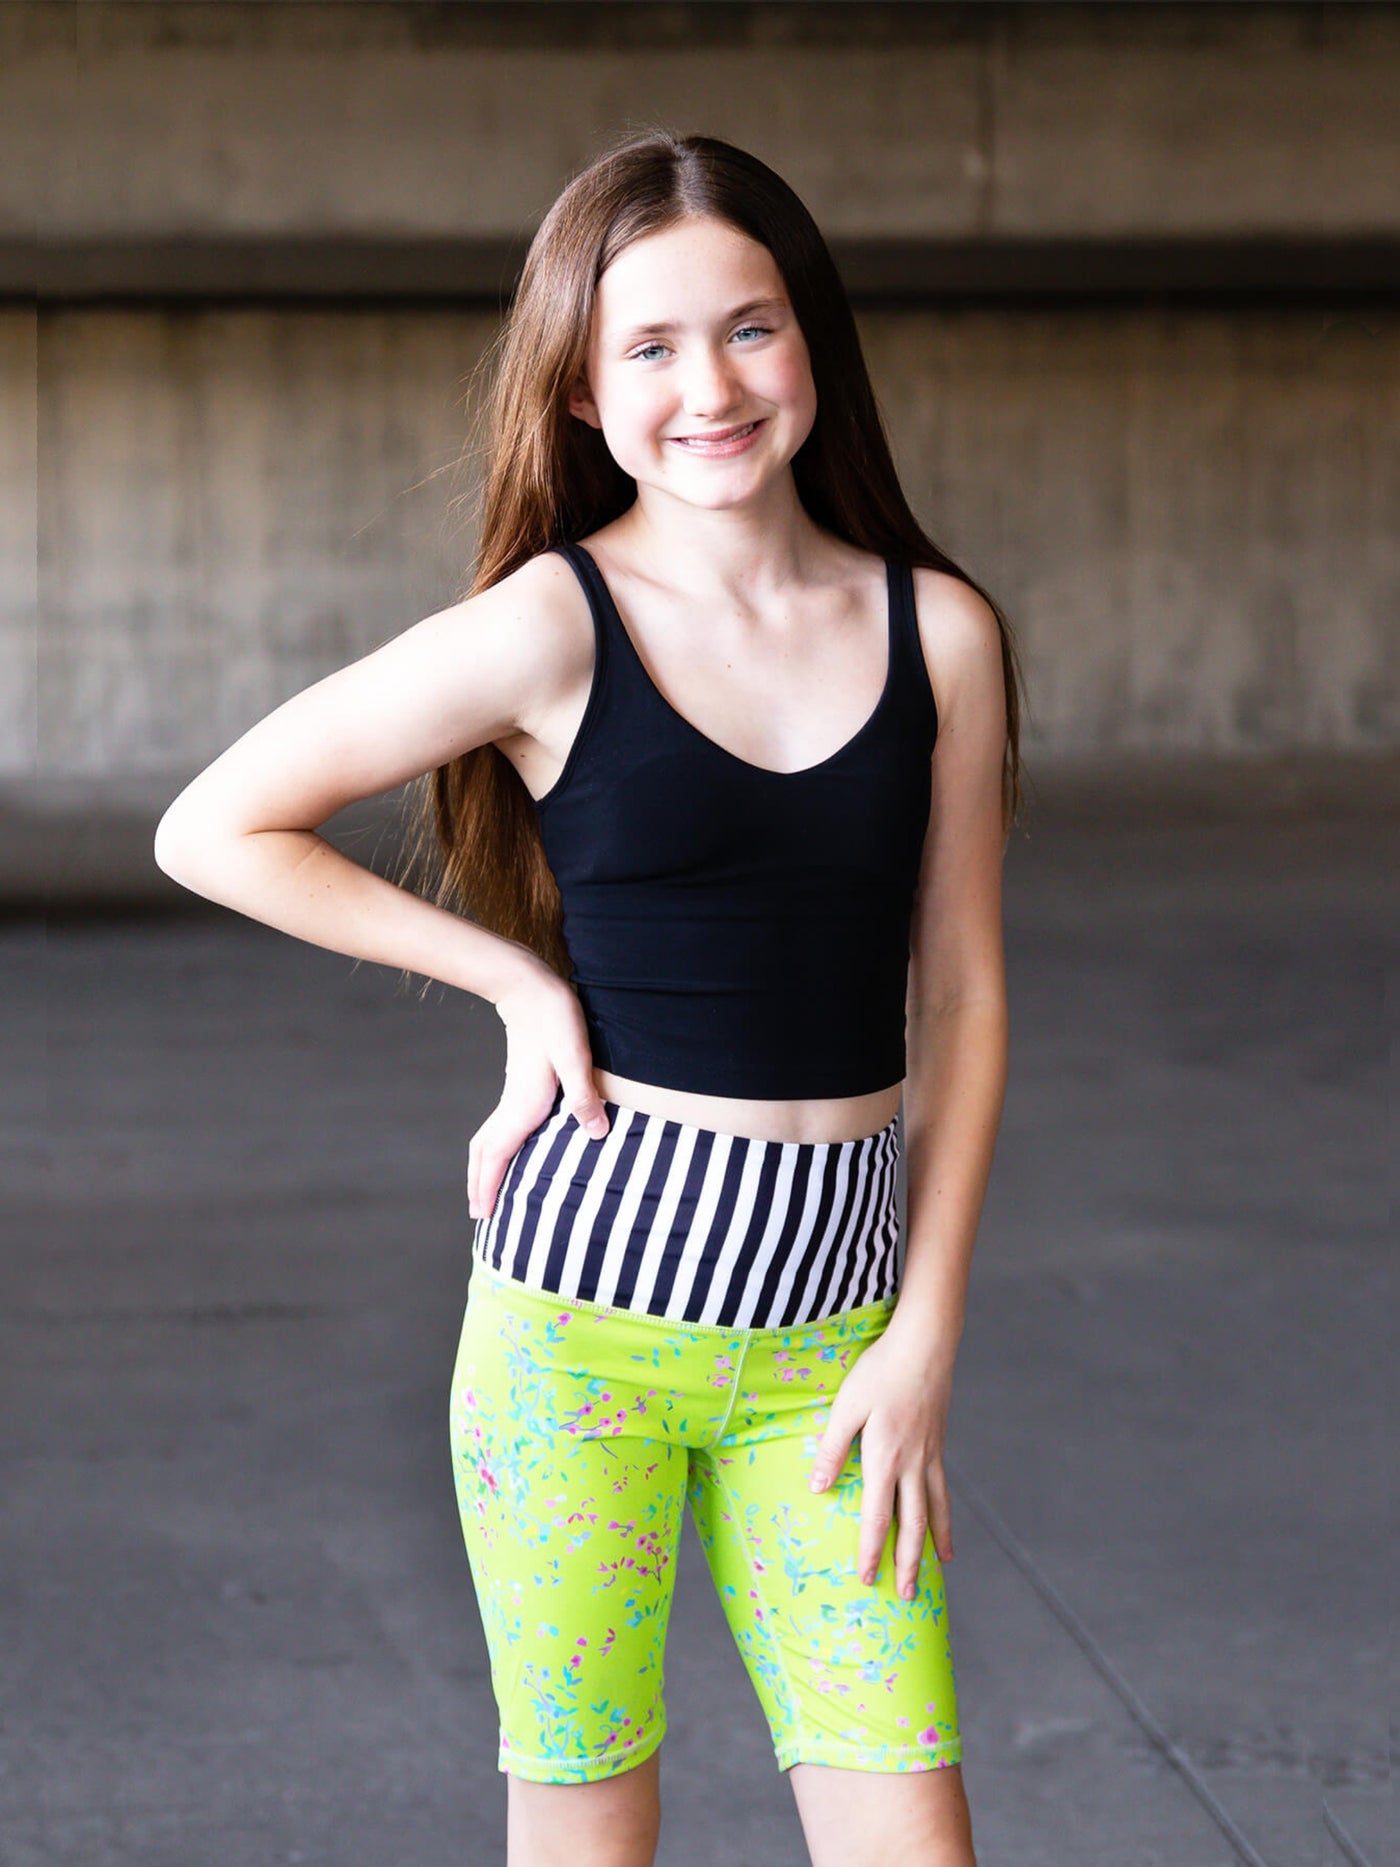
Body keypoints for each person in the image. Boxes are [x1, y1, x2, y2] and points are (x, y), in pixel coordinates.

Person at [154, 128, 1022, 1867]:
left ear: (812, 339)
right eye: (650, 347)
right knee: (586, 1828)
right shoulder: (551, 626)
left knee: (910, 1830)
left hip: (835, 1350)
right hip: (574, 1340)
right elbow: (214, 826)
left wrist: (924, 1331)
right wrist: (509, 980)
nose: (711, 387)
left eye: (751, 327)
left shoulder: (938, 634)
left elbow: (964, 1000)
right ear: (579, 391)